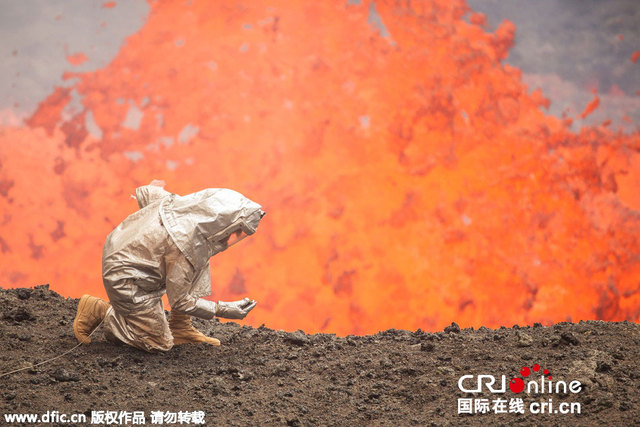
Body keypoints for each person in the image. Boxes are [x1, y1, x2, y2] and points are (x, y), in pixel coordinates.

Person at [72, 181, 264, 352]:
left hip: (125, 251)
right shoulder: (185, 245)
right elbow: (180, 301)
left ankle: (180, 326)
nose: (234, 236)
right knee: (158, 343)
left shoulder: (183, 208)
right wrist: (222, 309)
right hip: (125, 279)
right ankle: (100, 311)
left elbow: (147, 193)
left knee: (201, 256)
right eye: (236, 230)